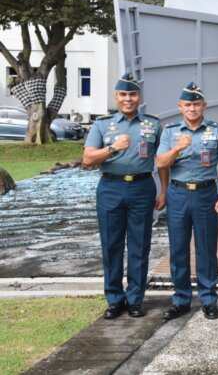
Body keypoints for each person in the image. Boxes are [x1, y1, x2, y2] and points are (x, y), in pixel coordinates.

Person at [83, 73, 164, 319]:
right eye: (123, 94)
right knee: (111, 244)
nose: (128, 99)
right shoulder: (102, 125)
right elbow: (87, 159)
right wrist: (112, 148)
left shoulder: (153, 124)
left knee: (140, 245)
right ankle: (115, 299)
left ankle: (136, 299)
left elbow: (162, 162)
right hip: (111, 188)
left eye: (132, 94)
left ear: (139, 97)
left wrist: (164, 190)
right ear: (116, 97)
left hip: (142, 187)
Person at [156, 82, 218, 321]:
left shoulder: (216, 129)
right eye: (188, 104)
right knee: (178, 248)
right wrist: (178, 148)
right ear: (180, 107)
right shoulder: (170, 132)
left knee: (206, 249)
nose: (192, 108)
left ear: (204, 106)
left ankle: (209, 299)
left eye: (197, 104)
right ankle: (181, 299)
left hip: (206, 194)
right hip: (178, 194)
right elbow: (161, 163)